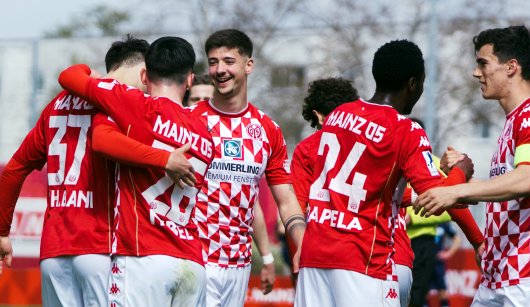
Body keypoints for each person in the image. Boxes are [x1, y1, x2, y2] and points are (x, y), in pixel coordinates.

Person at [0, 35, 196, 306]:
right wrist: (164, 159)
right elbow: (105, 143)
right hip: (101, 248)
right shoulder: (121, 103)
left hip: (53, 253)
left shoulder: (56, 105)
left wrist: (2, 232)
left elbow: (14, 169)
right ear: (144, 73)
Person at [294, 39, 476, 307]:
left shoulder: (339, 116)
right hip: (363, 260)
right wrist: (461, 171)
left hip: (315, 257)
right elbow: (437, 198)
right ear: (413, 84)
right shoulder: (405, 130)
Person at [414, 25, 530, 306]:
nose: (476, 73)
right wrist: (461, 177)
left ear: (511, 67)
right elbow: (509, 191)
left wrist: (455, 192)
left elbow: (526, 180)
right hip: (499, 275)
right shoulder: (514, 121)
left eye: (483, 63)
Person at [58, 36, 213, 306]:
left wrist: (96, 78)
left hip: (144, 257)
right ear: (189, 80)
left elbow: (69, 77)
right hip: (192, 261)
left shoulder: (136, 105)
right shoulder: (205, 132)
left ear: (144, 75)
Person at [191, 29, 306, 307]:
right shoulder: (188, 120)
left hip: (239, 264)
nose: (219, 70)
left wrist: (302, 243)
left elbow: (286, 198)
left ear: (248, 65)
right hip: (194, 258)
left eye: (229, 61)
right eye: (213, 62)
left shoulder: (268, 130)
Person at [289, 76, 359, 284]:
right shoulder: (368, 146)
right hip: (361, 255)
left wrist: (297, 253)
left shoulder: (305, 149)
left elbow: (296, 209)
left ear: (317, 115)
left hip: (316, 254)